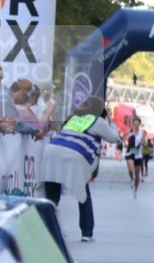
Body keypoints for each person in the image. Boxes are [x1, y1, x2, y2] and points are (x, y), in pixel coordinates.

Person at [39, 97, 121, 242]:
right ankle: (87, 233)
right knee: (83, 196)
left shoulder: (73, 118)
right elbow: (114, 138)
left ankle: (49, 229)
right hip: (73, 156)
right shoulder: (98, 121)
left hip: (51, 152)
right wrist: (111, 120)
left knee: (52, 197)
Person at [125, 116, 146, 198]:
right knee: (130, 170)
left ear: (139, 124)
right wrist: (127, 140)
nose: (136, 125)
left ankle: (135, 190)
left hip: (138, 154)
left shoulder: (142, 132)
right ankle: (131, 179)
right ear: (132, 124)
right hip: (130, 153)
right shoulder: (129, 131)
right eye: (134, 123)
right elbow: (124, 139)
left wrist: (142, 143)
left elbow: (144, 143)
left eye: (137, 123)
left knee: (137, 176)